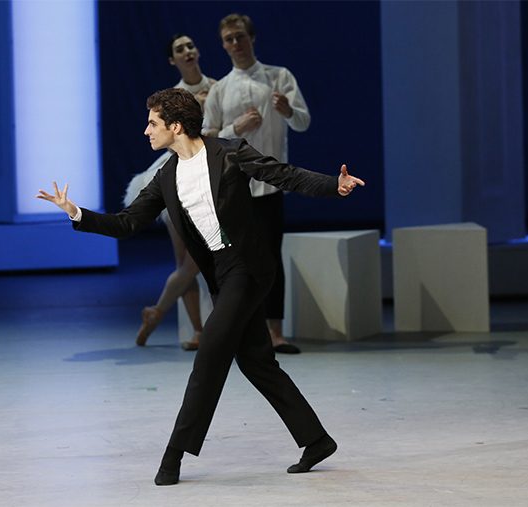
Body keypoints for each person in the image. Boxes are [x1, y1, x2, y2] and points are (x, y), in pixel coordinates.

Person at [36, 88, 364, 486]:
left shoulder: (229, 153)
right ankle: (316, 440)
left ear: (175, 126)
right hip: (222, 274)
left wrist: (334, 184)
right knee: (257, 363)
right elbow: (127, 223)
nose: (146, 131)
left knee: (209, 356)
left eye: (153, 123)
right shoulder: (167, 175)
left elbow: (284, 174)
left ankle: (173, 456)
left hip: (249, 266)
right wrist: (76, 213)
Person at [204, 14, 310, 354]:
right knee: (233, 262)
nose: (236, 44)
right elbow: (207, 137)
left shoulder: (279, 77)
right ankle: (236, 331)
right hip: (233, 188)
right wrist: (236, 127)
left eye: (240, 37)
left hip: (269, 186)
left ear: (251, 38)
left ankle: (275, 332)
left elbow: (304, 122)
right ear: (223, 45)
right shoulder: (220, 88)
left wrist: (288, 110)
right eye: (229, 39)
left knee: (269, 259)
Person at [125, 33, 217, 350]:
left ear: (198, 50)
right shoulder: (173, 98)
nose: (187, 52)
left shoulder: (218, 87)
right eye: (180, 50)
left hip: (207, 175)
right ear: (172, 60)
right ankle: (199, 331)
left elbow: (223, 133)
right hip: (180, 176)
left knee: (192, 263)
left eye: (190, 46)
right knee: (186, 263)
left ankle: (157, 311)